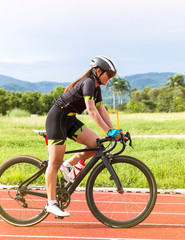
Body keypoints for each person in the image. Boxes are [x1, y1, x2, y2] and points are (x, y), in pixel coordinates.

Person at [44, 56, 122, 217]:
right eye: (109, 75)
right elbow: (91, 111)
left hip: (70, 119)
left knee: (95, 144)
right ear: (99, 71)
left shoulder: (96, 88)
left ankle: (68, 165)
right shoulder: (87, 82)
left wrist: (114, 131)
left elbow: (102, 110)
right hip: (57, 119)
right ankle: (51, 203)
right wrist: (107, 131)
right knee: (54, 162)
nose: (110, 79)